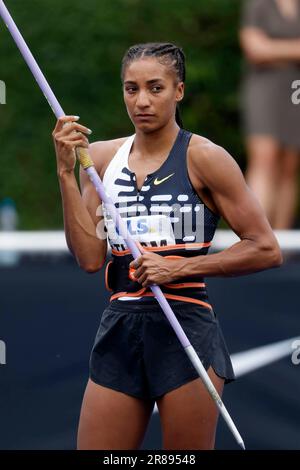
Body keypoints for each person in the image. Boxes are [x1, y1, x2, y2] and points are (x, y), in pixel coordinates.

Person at [52, 42, 282, 450]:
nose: (141, 101)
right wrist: (66, 173)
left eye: (155, 88)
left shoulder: (205, 158)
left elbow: (265, 248)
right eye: (131, 89)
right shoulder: (101, 158)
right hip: (121, 328)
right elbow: (89, 259)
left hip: (186, 330)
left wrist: (178, 269)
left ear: (178, 91)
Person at [240, 0, 300, 229]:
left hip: (296, 86)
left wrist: (275, 49)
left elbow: (266, 48)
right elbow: (255, 49)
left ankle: (282, 241)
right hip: (265, 85)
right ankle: (255, 234)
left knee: (290, 163)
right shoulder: (259, 4)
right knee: (264, 155)